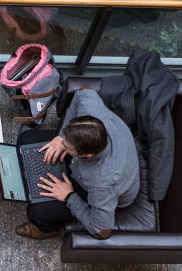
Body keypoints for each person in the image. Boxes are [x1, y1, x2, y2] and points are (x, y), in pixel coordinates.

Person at [15, 88, 140, 240]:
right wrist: (61, 138)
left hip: (97, 189)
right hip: (83, 162)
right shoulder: (91, 112)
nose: (64, 144)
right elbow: (83, 92)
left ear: (86, 155)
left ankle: (49, 230)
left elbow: (101, 230)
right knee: (26, 140)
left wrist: (69, 196)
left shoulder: (102, 184)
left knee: (36, 212)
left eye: (68, 147)